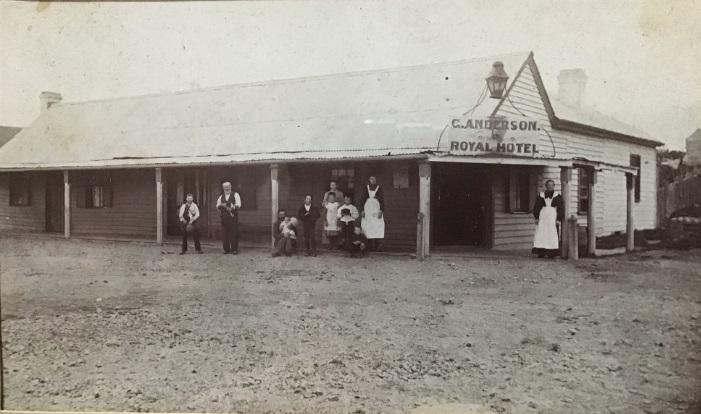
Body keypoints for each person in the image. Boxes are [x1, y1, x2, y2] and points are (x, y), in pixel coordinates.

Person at [532, 180, 565, 258]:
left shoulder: (557, 196)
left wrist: (558, 218)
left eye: (551, 185)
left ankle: (552, 252)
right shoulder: (541, 195)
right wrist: (536, 217)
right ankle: (541, 252)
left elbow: (561, 208)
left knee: (551, 232)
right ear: (546, 186)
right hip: (543, 215)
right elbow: (537, 207)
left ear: (553, 186)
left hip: (552, 215)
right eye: (548, 185)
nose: (550, 187)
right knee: (541, 232)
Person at [361, 175, 385, 251]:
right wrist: (362, 210)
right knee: (368, 226)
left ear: (376, 180)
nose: (373, 180)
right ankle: (369, 246)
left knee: (376, 226)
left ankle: (376, 246)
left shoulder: (379, 188)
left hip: (376, 208)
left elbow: (381, 199)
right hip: (367, 208)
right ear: (369, 180)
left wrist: (381, 210)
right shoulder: (366, 187)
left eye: (374, 179)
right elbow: (362, 198)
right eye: (371, 179)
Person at [216, 182, 241, 254]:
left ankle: (234, 249)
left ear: (230, 186)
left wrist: (233, 207)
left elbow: (239, 204)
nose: (226, 188)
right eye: (225, 187)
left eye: (228, 186)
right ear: (223, 188)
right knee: (224, 233)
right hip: (224, 218)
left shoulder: (235, 194)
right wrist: (222, 205)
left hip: (233, 217)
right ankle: (226, 249)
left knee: (234, 232)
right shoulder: (221, 196)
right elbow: (217, 206)